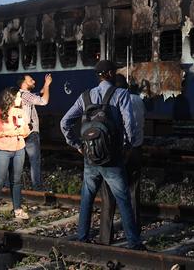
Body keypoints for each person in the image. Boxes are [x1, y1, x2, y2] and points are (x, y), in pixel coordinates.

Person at [60, 60, 144, 250]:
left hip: (90, 156)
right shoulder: (121, 94)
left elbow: (64, 122)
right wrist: (128, 146)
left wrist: (77, 144)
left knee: (87, 198)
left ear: (98, 76)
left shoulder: (85, 96)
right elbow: (129, 124)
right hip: (112, 158)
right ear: (111, 74)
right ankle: (134, 242)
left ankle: (82, 238)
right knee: (123, 200)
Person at [99, 73, 145, 245]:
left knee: (109, 195)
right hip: (136, 151)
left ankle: (105, 237)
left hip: (117, 153)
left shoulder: (112, 102)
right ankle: (134, 233)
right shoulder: (138, 100)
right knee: (133, 192)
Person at [0, 87, 31, 226]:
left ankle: (17, 209)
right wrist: (8, 132)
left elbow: (26, 131)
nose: (20, 99)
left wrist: (23, 131)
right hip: (1, 150)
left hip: (19, 149)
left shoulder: (21, 113)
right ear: (10, 98)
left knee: (16, 181)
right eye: (18, 96)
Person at [16, 73, 52, 190]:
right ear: (24, 83)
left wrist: (44, 88)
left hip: (19, 132)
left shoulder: (19, 94)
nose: (34, 81)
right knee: (34, 161)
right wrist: (47, 85)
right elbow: (44, 101)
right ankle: (37, 187)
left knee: (17, 160)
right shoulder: (26, 95)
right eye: (31, 80)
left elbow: (37, 95)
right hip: (30, 132)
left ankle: (11, 184)